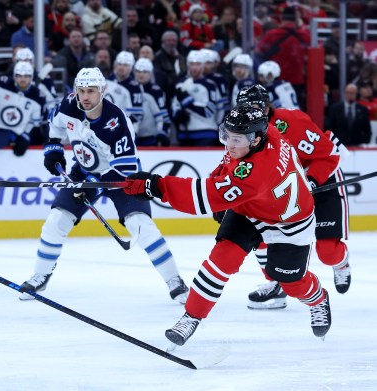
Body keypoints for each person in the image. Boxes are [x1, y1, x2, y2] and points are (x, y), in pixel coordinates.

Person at [123, 104, 332, 347]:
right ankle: (191, 317)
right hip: (251, 208)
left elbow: (203, 196)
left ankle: (318, 299)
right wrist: (221, 189)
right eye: (226, 136)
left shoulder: (257, 172)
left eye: (236, 139)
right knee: (221, 260)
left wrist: (156, 186)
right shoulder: (265, 133)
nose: (229, 144)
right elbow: (225, 170)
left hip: (289, 223)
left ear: (254, 140)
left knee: (290, 282)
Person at [19, 67, 189, 304]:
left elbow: (124, 169)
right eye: (81, 91)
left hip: (123, 176)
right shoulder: (69, 105)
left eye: (91, 91)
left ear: (103, 91)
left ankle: (175, 281)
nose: (85, 96)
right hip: (85, 171)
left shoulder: (116, 121)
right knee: (56, 220)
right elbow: (54, 126)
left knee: (141, 225)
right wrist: (54, 149)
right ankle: (41, 274)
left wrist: (92, 184)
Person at [235, 84, 351, 309]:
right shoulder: (244, 131)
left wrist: (312, 180)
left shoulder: (291, 122)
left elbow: (328, 155)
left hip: (321, 184)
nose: (250, 114)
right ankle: (277, 285)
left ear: (267, 106)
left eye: (256, 107)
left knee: (327, 253)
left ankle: (341, 264)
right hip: (288, 194)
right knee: (259, 237)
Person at [132, 58, 170, 146]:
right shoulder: (130, 88)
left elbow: (163, 115)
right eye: (138, 71)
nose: (141, 75)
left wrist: (162, 132)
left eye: (145, 72)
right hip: (132, 135)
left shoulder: (156, 91)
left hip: (150, 137)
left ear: (150, 73)